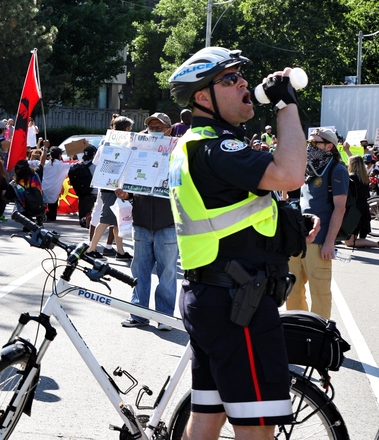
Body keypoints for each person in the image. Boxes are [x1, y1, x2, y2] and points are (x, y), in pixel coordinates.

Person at [168, 47, 310, 436]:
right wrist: (285, 105)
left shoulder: (193, 145)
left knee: (207, 418)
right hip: (238, 304)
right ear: (202, 97)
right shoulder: (218, 147)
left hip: (212, 297)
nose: (243, 82)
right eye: (229, 79)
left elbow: (231, 213)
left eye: (242, 76)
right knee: (257, 428)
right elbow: (290, 173)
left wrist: (287, 226)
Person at [119, 112, 178, 330]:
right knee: (140, 271)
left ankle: (165, 318)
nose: (155, 131)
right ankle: (138, 315)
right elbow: (128, 183)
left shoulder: (178, 153)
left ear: (169, 130)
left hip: (168, 223)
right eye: (151, 128)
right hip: (141, 221)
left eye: (160, 128)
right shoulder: (137, 152)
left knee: (168, 273)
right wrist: (126, 193)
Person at [286, 127, 347, 320]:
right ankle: (298, 331)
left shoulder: (337, 170)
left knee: (319, 294)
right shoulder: (310, 168)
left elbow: (340, 208)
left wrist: (330, 243)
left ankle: (319, 338)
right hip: (299, 240)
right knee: (292, 290)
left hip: (319, 242)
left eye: (314, 143)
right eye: (308, 142)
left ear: (329, 146)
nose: (309, 147)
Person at [89, 116, 133, 261]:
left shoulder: (105, 145)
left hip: (106, 185)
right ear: (127, 130)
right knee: (107, 218)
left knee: (117, 220)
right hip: (116, 187)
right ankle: (91, 249)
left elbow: (96, 162)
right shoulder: (128, 146)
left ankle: (120, 251)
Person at [343, 154, 377, 247]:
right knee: (354, 237)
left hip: (354, 210)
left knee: (349, 242)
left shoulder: (352, 177)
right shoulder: (364, 177)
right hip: (363, 208)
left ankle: (376, 244)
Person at [40, 146, 71, 221]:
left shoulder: (46, 164)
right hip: (54, 192)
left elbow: (38, 163)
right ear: (60, 155)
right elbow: (75, 165)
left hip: (43, 190)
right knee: (53, 215)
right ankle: (47, 215)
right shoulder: (63, 166)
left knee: (42, 206)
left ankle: (42, 214)